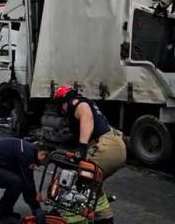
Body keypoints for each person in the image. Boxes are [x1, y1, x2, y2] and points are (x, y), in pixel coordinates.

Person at [53, 85, 126, 224]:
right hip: (115, 147)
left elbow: (86, 116)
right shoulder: (84, 102)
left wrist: (81, 149)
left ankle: (75, 220)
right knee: (92, 184)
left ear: (62, 101)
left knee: (74, 182)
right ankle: (104, 218)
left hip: (104, 147)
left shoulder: (75, 103)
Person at [0, 138, 51, 224]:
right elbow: (28, 182)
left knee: (19, 180)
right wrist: (37, 209)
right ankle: (0, 213)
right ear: (43, 155)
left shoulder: (30, 149)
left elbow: (27, 181)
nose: (44, 165)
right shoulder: (27, 155)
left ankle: (6, 211)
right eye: (47, 162)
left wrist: (35, 206)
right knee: (16, 182)